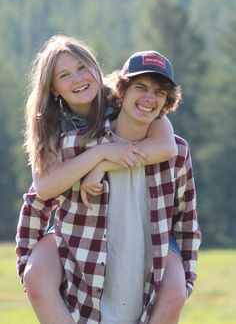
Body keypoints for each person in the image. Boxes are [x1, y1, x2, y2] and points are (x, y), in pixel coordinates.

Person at [15, 36, 200, 323]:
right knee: (38, 277)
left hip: (150, 228)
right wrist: (99, 155)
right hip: (77, 220)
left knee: (172, 292)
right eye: (64, 75)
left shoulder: (130, 106)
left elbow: (168, 146)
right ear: (53, 88)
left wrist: (103, 166)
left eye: (82, 67)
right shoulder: (56, 129)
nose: (77, 79)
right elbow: (41, 190)